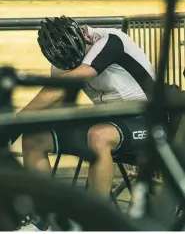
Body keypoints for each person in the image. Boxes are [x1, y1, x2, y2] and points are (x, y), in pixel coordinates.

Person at [18, 15, 156, 229]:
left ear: (84, 35)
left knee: (98, 136)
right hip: (108, 123)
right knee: (34, 138)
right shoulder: (61, 62)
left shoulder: (110, 40)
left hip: (148, 121)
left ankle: (94, 222)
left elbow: (71, 80)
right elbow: (58, 101)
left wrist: (17, 119)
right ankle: (44, 217)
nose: (70, 66)